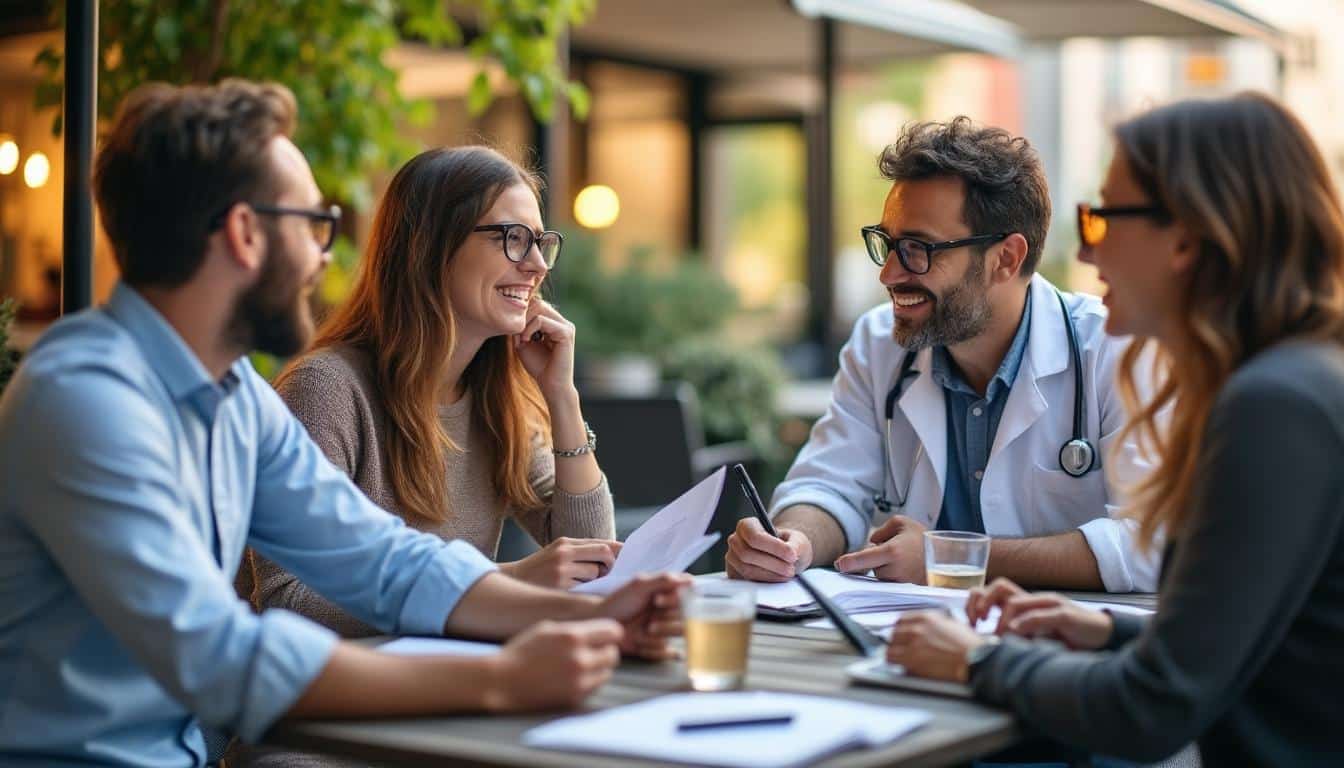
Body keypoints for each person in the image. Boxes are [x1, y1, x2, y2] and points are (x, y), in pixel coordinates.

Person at [0, 80, 684, 767]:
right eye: (311, 225)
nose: (326, 256)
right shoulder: (86, 401)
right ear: (244, 233)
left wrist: (592, 616)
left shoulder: (235, 397)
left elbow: (382, 559)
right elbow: (222, 654)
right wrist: (502, 679)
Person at [887, 93, 1344, 766]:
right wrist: (1106, 632)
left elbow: (1153, 706)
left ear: (1187, 238)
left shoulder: (1273, 406)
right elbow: (1256, 640)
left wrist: (977, 660)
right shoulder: (1299, 378)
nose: (1082, 248)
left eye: (1102, 217)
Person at [728, 118, 1155, 592]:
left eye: (917, 249)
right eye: (888, 244)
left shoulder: (1116, 350)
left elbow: (1150, 544)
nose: (889, 274)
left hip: (1055, 645)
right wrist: (793, 542)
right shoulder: (878, 344)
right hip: (904, 640)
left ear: (1006, 259)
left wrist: (948, 557)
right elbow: (829, 486)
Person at [241, 146, 619, 643]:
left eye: (540, 243)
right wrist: (499, 584)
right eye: (511, 238)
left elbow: (591, 556)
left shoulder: (497, 396)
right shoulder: (326, 390)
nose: (536, 266)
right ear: (430, 248)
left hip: (452, 686)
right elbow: (287, 600)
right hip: (339, 706)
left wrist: (561, 397)